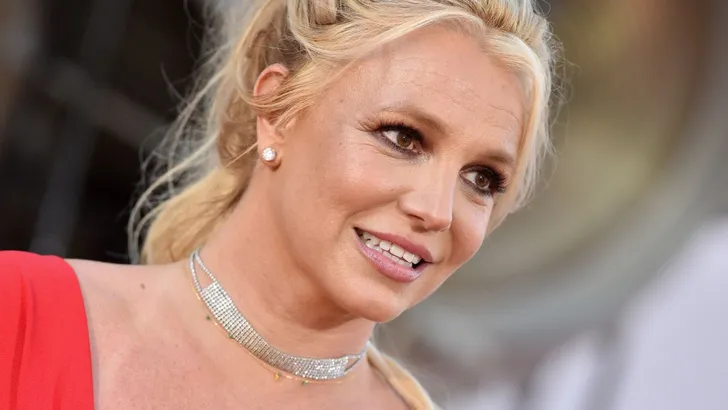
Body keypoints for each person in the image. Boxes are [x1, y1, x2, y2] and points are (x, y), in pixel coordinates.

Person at [0, 0, 560, 408]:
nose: (438, 210)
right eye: (402, 137)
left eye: (482, 179)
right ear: (276, 110)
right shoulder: (18, 317)